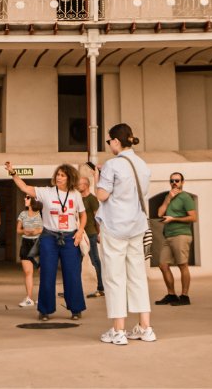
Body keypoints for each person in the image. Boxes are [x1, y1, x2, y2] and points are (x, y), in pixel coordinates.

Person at [92, 124, 157, 345]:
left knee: (115, 277)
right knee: (137, 276)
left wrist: (96, 178)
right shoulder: (142, 165)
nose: (109, 145)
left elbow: (101, 195)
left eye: (109, 141)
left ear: (116, 142)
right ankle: (145, 327)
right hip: (136, 226)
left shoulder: (112, 165)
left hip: (115, 226)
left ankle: (118, 330)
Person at [6, 161, 87, 321]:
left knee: (72, 274)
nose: (59, 177)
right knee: (47, 273)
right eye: (58, 174)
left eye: (62, 175)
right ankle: (45, 310)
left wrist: (80, 231)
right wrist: (13, 173)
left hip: (70, 238)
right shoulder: (47, 192)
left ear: (69, 177)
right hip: (49, 237)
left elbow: (83, 214)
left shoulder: (75, 195)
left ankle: (76, 309)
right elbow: (25, 188)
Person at [151, 172, 197, 306]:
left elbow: (193, 218)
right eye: (172, 180)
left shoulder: (186, 197)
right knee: (163, 265)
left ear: (183, 182)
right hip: (168, 235)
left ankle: (185, 296)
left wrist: (174, 219)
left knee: (182, 265)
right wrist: (168, 199)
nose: (174, 183)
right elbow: (160, 213)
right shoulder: (168, 196)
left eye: (177, 180)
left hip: (181, 234)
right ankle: (171, 294)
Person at [16, 195, 43, 307]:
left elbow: (47, 227)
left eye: (27, 197)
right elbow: (18, 230)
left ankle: (42, 297)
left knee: (43, 272)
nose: (24, 199)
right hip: (26, 244)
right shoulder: (23, 214)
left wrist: (37, 231)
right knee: (28, 272)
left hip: (39, 243)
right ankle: (29, 298)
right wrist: (24, 231)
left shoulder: (42, 214)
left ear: (33, 200)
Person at [80, 175, 104, 299]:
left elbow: (97, 218)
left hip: (91, 234)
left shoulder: (92, 199)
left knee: (95, 261)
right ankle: (74, 289)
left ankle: (101, 288)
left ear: (86, 185)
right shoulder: (78, 198)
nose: (77, 186)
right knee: (75, 262)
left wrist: (98, 233)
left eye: (80, 184)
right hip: (79, 234)